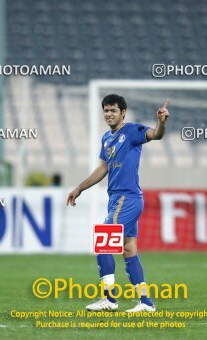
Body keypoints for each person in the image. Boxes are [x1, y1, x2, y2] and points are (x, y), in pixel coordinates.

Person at [67, 94, 170, 312]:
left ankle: (109, 299)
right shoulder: (106, 138)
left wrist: (161, 122)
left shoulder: (132, 131)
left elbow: (156, 135)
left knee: (103, 243)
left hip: (127, 197)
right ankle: (145, 302)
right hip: (116, 199)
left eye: (113, 110)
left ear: (123, 112)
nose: (109, 114)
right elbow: (103, 168)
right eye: (106, 110)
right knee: (128, 248)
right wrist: (79, 188)